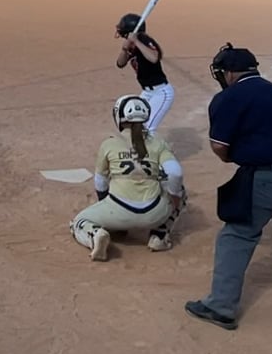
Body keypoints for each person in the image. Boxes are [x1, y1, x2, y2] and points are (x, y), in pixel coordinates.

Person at [185, 43, 272, 331]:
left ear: (229, 73)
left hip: (266, 179)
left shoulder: (229, 97)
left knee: (236, 235)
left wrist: (232, 157)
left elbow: (219, 146)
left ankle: (220, 306)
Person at [71, 94, 187, 260]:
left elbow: (100, 181)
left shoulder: (109, 143)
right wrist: (175, 196)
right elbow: (175, 173)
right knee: (180, 191)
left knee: (79, 221)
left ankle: (96, 235)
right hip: (154, 213)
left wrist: (106, 204)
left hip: (118, 210)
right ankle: (159, 236)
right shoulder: (158, 143)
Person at [114, 13, 174, 132]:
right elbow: (120, 64)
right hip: (147, 92)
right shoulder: (130, 44)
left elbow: (154, 58)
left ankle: (151, 145)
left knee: (147, 128)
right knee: (136, 123)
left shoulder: (145, 41)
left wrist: (136, 41)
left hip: (161, 92)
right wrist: (124, 49)